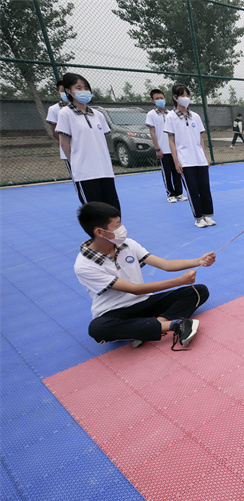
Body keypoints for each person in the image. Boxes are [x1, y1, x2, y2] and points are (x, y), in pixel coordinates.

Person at [74, 202, 214, 349]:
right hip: (116, 311)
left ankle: (153, 326)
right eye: (116, 226)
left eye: (120, 223)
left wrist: (199, 261)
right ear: (100, 232)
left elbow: (165, 265)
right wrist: (179, 281)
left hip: (145, 301)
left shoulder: (128, 244)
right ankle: (174, 324)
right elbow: (135, 289)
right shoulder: (84, 265)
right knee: (97, 329)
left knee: (199, 291)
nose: (121, 229)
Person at [55, 72, 121, 212]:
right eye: (78, 88)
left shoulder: (98, 115)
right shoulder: (65, 114)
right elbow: (65, 144)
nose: (84, 91)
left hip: (105, 171)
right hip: (85, 174)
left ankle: (115, 235)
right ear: (68, 91)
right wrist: (77, 166)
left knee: (113, 212)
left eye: (86, 88)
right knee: (95, 214)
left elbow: (103, 140)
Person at [164, 83, 215, 228]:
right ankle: (198, 217)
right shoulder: (171, 117)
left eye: (187, 95)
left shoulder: (196, 117)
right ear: (175, 97)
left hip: (199, 159)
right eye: (182, 95)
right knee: (192, 190)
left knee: (205, 188)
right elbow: (171, 141)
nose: (186, 98)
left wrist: (205, 157)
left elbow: (200, 138)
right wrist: (176, 161)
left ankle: (207, 215)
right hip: (185, 160)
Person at [146, 88, 186, 203]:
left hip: (174, 149)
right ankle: (170, 193)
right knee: (167, 173)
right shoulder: (151, 115)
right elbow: (152, 133)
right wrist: (157, 148)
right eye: (157, 99)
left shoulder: (171, 114)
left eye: (161, 98)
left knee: (178, 171)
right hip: (163, 149)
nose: (160, 100)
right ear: (153, 101)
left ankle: (179, 193)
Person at [45, 79, 72, 178]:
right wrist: (68, 144)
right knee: (77, 177)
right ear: (58, 93)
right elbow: (55, 132)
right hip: (69, 150)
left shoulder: (79, 107)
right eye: (62, 90)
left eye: (68, 90)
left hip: (84, 150)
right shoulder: (54, 109)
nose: (66, 93)